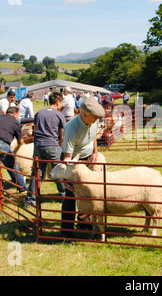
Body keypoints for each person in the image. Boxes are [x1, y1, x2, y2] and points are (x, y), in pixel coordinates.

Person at [60, 96, 106, 239]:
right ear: (84, 114)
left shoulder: (93, 121)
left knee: (88, 191)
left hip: (87, 157)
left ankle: (84, 224)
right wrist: (65, 177)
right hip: (72, 160)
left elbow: (93, 137)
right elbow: (67, 157)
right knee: (71, 194)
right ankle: (66, 232)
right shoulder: (72, 129)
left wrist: (95, 152)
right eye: (95, 117)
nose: (97, 119)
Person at [25, 92, 67, 206]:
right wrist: (60, 147)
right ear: (58, 102)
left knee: (37, 172)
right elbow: (62, 135)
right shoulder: (59, 115)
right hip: (52, 145)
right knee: (59, 171)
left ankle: (30, 200)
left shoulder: (39, 113)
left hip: (38, 145)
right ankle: (64, 196)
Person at [0, 106, 29, 194]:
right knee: (12, 167)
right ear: (15, 114)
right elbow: (21, 141)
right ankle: (22, 188)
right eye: (18, 115)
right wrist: (17, 149)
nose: (18, 117)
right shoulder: (15, 122)